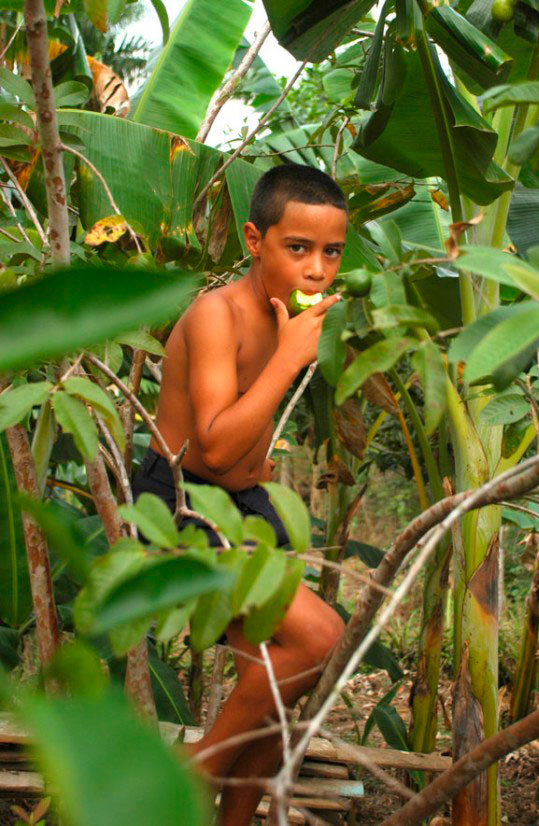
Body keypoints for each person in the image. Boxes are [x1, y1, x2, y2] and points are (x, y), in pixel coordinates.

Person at [132, 164, 347, 825]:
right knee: (320, 636)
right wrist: (287, 360)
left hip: (245, 511)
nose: (316, 270)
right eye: (298, 248)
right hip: (182, 506)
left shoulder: (290, 319)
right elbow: (216, 447)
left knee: (276, 696)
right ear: (255, 240)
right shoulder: (216, 314)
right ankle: (191, 775)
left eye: (331, 252)